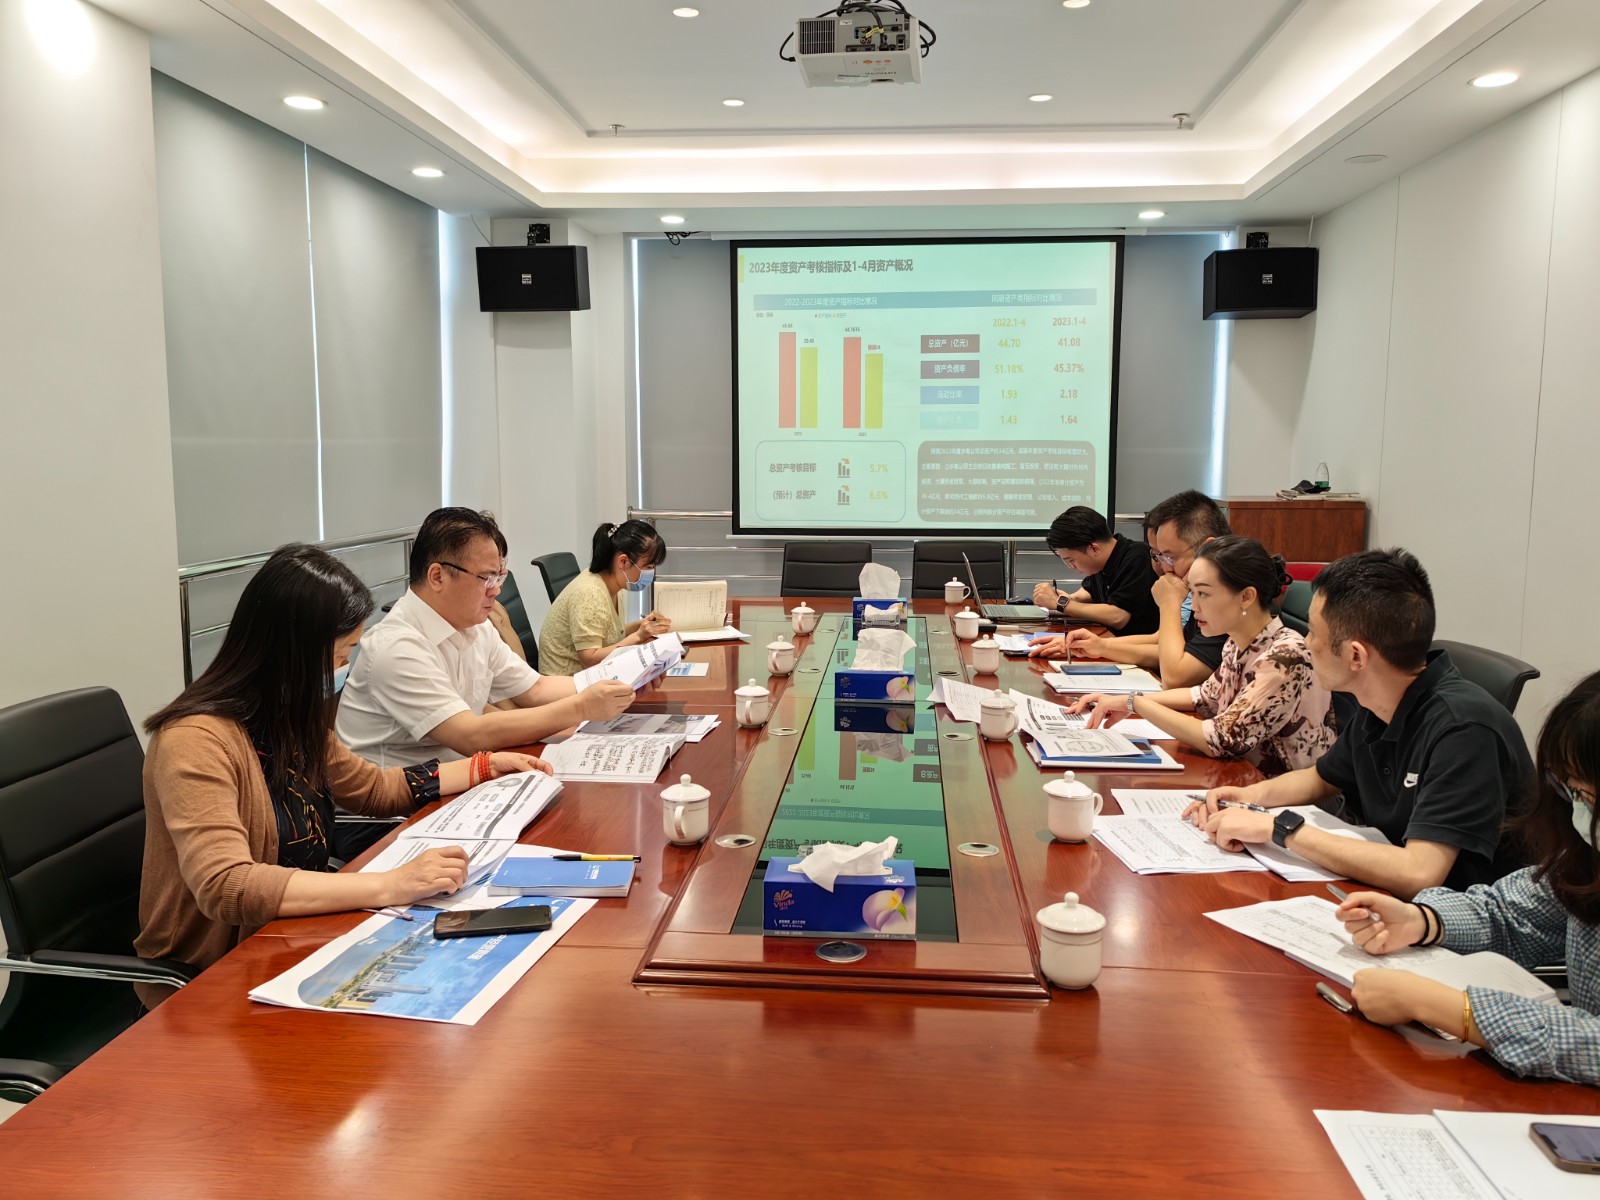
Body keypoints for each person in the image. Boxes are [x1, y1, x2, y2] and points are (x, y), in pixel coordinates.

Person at [137, 545, 549, 996]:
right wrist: (390, 885)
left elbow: (373, 788)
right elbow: (228, 884)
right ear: (290, 653)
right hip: (212, 976)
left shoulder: (286, 717)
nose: (343, 669)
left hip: (293, 937)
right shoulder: (194, 742)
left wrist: (482, 767)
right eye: (339, 656)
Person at [1186, 549, 1533, 898]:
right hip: (1388, 894)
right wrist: (1246, 798)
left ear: (1356, 656)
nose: (1306, 643)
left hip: (1453, 913)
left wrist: (1280, 829)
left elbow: (1420, 871)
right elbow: (1321, 778)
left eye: (1314, 634)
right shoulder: (1380, 699)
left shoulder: (1464, 729)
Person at [1334, 672, 1600, 1085]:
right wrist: (1422, 921)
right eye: (1574, 793)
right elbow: (1512, 913)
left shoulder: (1463, 724)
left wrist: (1456, 1011)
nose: (1579, 811)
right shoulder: (1585, 858)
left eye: (1590, 796)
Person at [336, 508, 634, 766]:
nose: (497, 589)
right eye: (486, 578)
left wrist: (624, 678)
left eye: (499, 577)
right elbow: (470, 735)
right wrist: (581, 708)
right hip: (399, 806)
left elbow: (536, 689)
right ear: (437, 576)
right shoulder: (397, 647)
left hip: (455, 779)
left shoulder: (474, 626)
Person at [1068, 536, 1335, 777]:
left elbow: (1220, 739)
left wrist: (1134, 704)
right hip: (1245, 777)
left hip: (1291, 800)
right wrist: (1123, 701)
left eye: (1204, 594)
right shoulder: (1238, 642)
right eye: (1193, 593)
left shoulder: (1285, 657)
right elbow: (1204, 697)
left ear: (1246, 597)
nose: (1194, 606)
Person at [1030, 489, 1230, 688]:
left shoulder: (1227, 599)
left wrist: (1170, 602)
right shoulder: (1201, 595)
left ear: (1207, 549)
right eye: (1157, 556)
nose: (1163, 568)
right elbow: (1160, 642)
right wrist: (1096, 646)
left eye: (1169, 557)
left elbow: (1176, 676)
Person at [537, 520, 674, 677]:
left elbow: (610, 634)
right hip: (568, 682)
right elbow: (589, 659)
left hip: (593, 675)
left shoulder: (613, 583)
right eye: (648, 567)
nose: (651, 572)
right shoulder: (590, 593)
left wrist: (641, 626)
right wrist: (638, 636)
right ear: (623, 561)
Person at [1030, 506, 1159, 634]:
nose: (1070, 566)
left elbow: (1118, 616)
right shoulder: (1101, 563)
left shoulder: (1137, 557)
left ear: (1094, 549)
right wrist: (1067, 598)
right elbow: (1089, 592)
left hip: (1140, 643)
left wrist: (1060, 603)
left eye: (1071, 560)